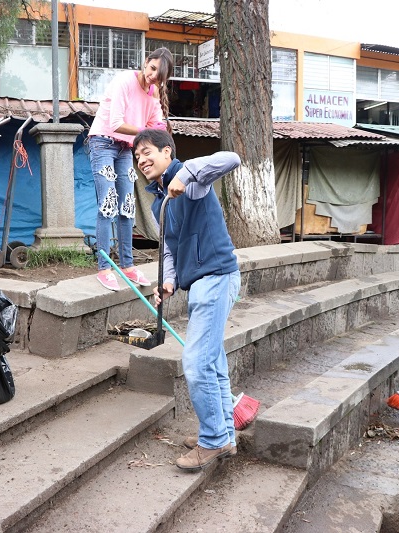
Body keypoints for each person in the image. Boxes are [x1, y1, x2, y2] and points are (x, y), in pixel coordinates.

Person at [134, 128, 241, 470]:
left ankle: (213, 441)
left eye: (147, 151)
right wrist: (167, 281)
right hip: (200, 283)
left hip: (216, 277)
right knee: (212, 363)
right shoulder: (159, 200)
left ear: (168, 151)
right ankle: (223, 434)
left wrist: (185, 172)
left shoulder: (191, 180)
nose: (141, 160)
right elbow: (168, 246)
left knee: (195, 364)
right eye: (137, 156)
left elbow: (231, 159)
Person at [87, 47, 173, 291]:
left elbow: (158, 125)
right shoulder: (124, 80)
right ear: (147, 62)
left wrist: (157, 133)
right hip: (103, 141)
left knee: (127, 205)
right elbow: (116, 123)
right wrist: (148, 131)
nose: (153, 75)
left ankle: (127, 265)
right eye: (152, 68)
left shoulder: (154, 93)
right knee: (108, 204)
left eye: (160, 74)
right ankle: (104, 267)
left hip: (125, 148)